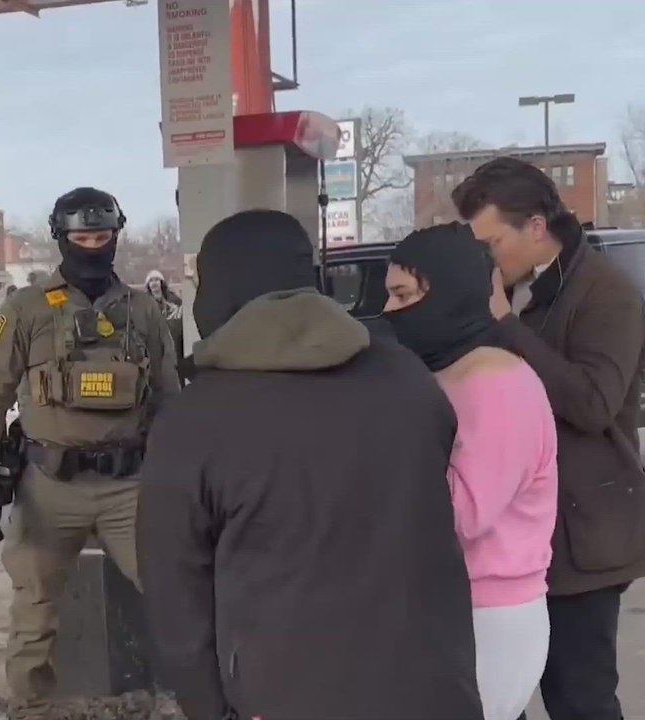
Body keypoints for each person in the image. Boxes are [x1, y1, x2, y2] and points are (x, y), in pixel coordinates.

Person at [136, 209, 483, 720]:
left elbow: (175, 602)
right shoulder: (405, 377)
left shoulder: (194, 422)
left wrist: (210, 710)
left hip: (285, 696)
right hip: (433, 687)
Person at [0, 187, 180, 719]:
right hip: (49, 486)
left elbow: (172, 400)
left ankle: (200, 700)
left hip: (129, 486)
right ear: (61, 239)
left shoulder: (143, 310)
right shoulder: (25, 309)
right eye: (81, 237)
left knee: (180, 597)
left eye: (102, 237)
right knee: (34, 613)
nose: (92, 246)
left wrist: (185, 479)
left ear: (115, 238)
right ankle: (31, 709)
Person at [453, 158, 645, 720]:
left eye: (492, 243)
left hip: (583, 542)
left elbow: (593, 402)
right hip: (521, 537)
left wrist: (505, 325)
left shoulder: (605, 294)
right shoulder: (523, 287)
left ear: (536, 227)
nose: (485, 261)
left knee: (579, 698)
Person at [384, 222, 558, 720]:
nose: (391, 311)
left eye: (403, 294)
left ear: (450, 290)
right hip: (457, 606)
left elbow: (460, 515)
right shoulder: (453, 370)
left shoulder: (494, 383)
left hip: (488, 613)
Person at [145, 269, 185, 384]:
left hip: (174, 339)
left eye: (156, 280)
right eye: (151, 281)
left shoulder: (174, 300)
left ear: (161, 283)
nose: (154, 283)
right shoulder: (146, 303)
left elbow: (181, 316)